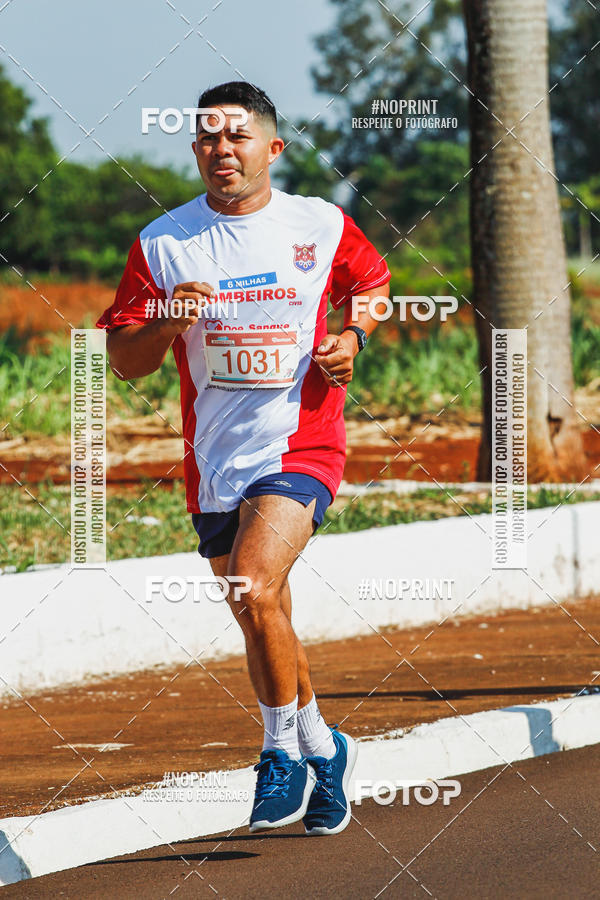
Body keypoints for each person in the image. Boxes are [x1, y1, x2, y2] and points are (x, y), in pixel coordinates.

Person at [97, 81, 390, 835]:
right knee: (262, 613)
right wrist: (168, 320)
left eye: (237, 136)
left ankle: (277, 753)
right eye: (207, 138)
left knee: (255, 586)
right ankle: (326, 749)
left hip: (301, 441)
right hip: (215, 460)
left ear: (272, 148)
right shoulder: (164, 243)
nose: (221, 150)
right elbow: (125, 360)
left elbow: (372, 284)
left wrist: (353, 337)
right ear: (195, 148)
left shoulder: (319, 223)